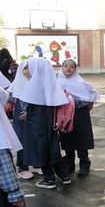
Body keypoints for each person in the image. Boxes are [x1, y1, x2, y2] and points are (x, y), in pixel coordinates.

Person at [18, 57, 71, 189]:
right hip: (50, 124)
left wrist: (27, 115)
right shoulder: (49, 83)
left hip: (37, 125)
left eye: (29, 67)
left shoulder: (35, 85)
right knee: (52, 149)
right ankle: (64, 175)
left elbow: (34, 107)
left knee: (41, 150)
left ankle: (49, 179)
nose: (27, 70)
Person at [57, 59, 99, 176]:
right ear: (61, 68)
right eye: (65, 66)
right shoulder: (57, 83)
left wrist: (80, 106)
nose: (68, 68)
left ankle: (84, 163)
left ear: (75, 69)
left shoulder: (80, 83)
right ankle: (69, 163)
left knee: (81, 139)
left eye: (71, 66)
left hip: (79, 114)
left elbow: (91, 96)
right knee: (67, 139)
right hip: (64, 116)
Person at [7, 61, 35, 180]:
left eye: (30, 68)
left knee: (35, 139)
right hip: (21, 116)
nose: (28, 71)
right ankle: (23, 167)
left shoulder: (38, 82)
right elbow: (11, 98)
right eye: (25, 68)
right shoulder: (18, 82)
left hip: (35, 116)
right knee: (22, 139)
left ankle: (37, 163)